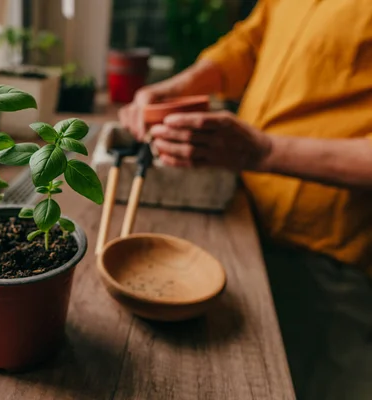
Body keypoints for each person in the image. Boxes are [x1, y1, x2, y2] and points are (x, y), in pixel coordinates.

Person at [118, 1, 372, 399]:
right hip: (245, 218)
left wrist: (265, 151)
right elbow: (250, 42)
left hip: (329, 260)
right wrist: (180, 87)